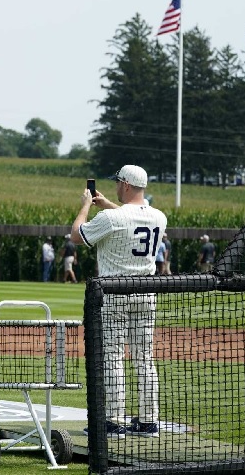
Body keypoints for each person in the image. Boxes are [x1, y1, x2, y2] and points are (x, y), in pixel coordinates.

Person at [71, 164, 167, 439]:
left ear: (125, 184)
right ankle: (149, 422)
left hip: (114, 294)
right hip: (146, 294)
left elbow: (77, 235)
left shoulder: (112, 218)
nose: (115, 186)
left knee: (112, 356)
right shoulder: (159, 217)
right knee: (144, 358)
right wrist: (108, 204)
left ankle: (113, 420)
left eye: (118, 183)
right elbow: (133, 217)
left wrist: (86, 206)